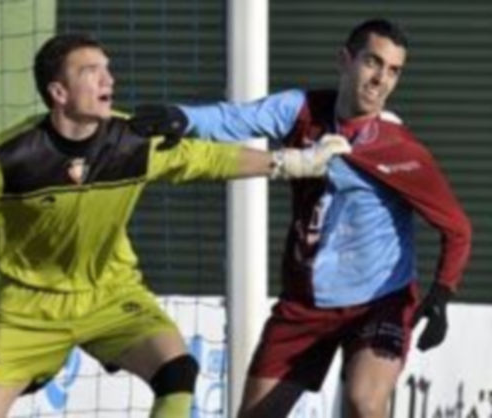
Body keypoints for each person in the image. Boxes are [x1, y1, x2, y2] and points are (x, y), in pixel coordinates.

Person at [0, 33, 351, 418]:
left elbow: (208, 159)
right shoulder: (10, 155)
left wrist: (295, 163)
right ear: (58, 92)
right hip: (27, 308)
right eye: (90, 71)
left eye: (108, 69)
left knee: (178, 372)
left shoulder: (131, 140)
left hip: (111, 296)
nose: (107, 79)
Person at [129, 18, 472, 418]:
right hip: (304, 305)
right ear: (344, 60)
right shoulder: (301, 110)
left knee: (364, 401)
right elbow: (236, 118)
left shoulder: (401, 150)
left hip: (380, 301)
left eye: (393, 70)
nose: (381, 79)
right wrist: (183, 118)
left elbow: (457, 228)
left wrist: (442, 294)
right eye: (372, 62)